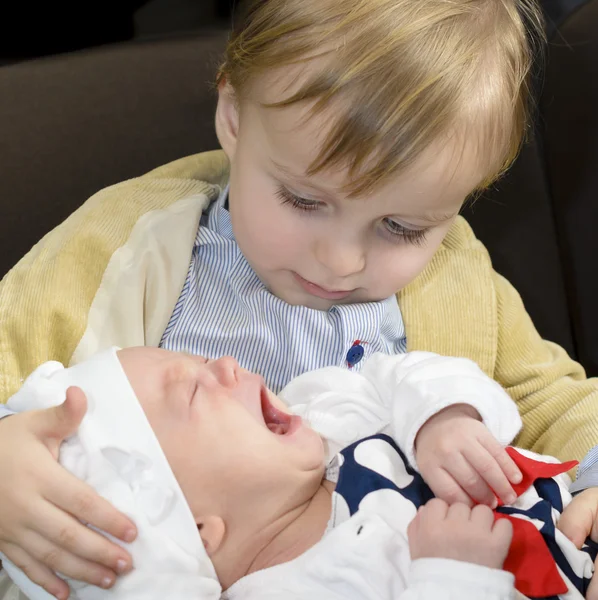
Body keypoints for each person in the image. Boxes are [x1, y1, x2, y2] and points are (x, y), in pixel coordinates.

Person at [2, 0, 598, 598]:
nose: (343, 262)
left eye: (402, 228)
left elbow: (546, 399)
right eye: (305, 201)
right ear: (234, 116)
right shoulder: (122, 249)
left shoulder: (455, 279)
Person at [0, 347, 593, 599]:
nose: (228, 366)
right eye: (195, 391)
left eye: (204, 362)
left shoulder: (326, 417)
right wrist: (453, 579)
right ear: (196, 530)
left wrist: (441, 418)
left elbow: (394, 374)